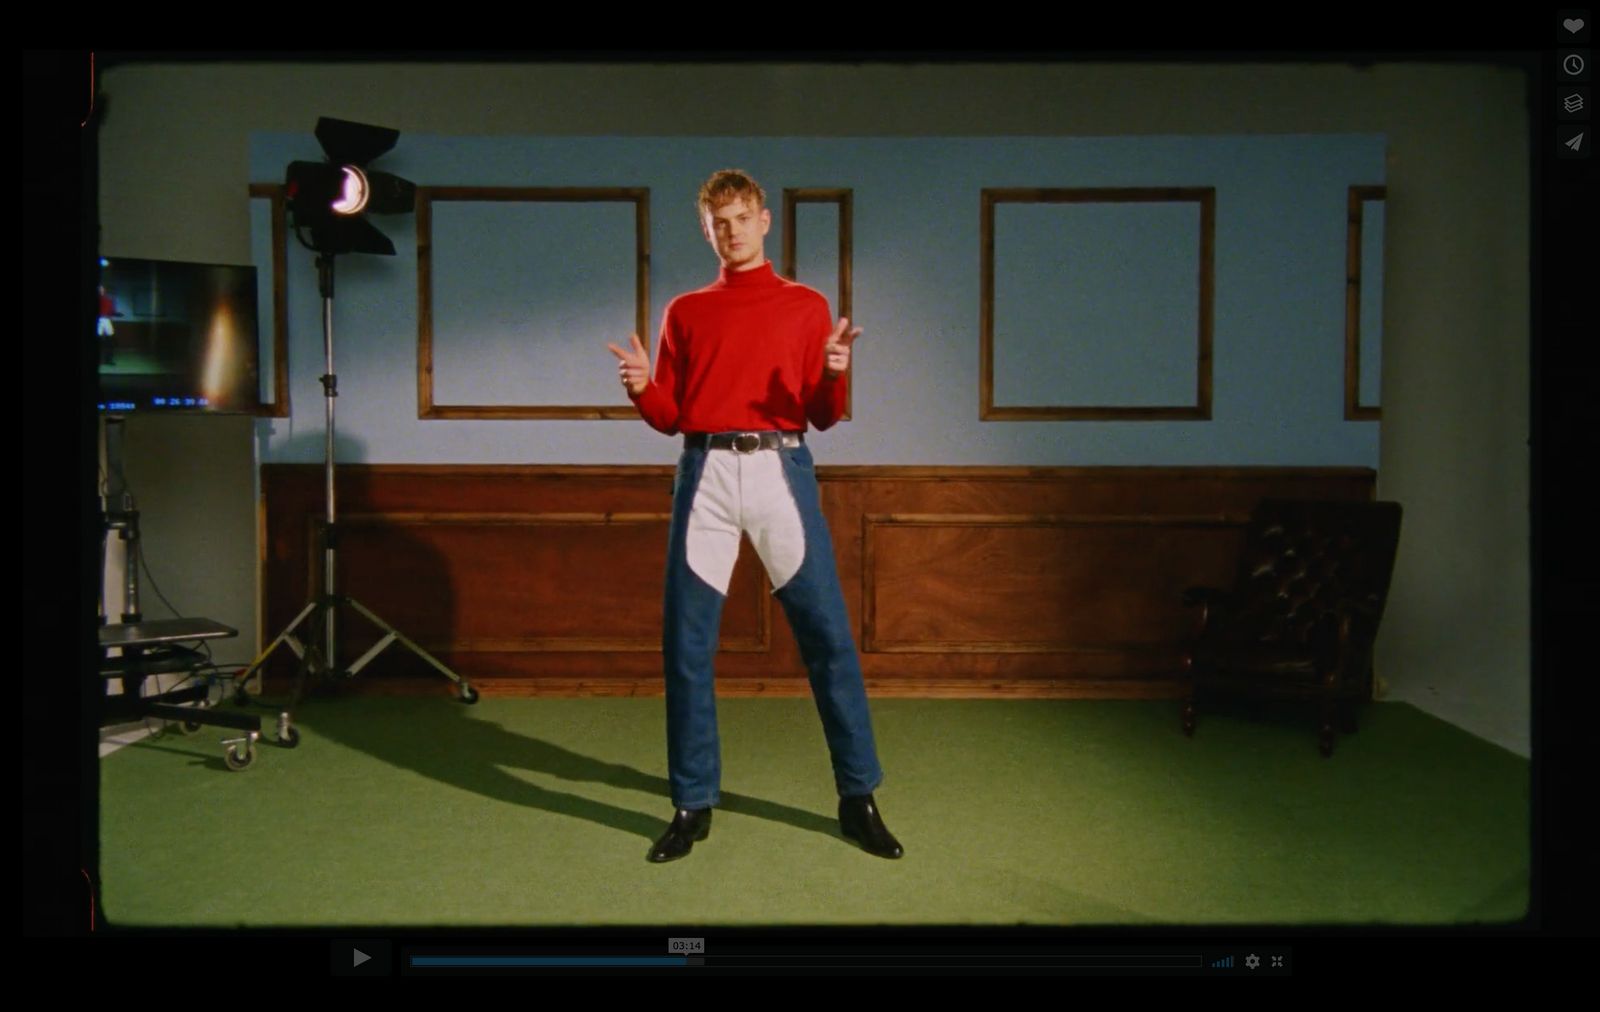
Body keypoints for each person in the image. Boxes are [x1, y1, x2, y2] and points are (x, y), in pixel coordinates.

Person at [607, 169, 902, 863]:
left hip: (780, 468)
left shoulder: (806, 306)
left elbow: (824, 418)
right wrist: (643, 390)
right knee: (686, 648)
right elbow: (672, 417)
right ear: (706, 229)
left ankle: (858, 797)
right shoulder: (685, 311)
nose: (732, 230)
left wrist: (833, 372)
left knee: (827, 637)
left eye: (742, 217)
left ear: (765, 221)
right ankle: (691, 802)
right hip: (703, 469)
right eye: (719, 221)